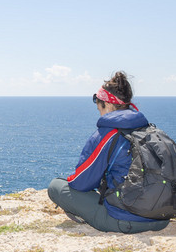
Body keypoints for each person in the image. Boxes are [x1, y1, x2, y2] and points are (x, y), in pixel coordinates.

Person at [47, 71, 169, 233]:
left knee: (56, 185)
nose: (100, 113)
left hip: (124, 220)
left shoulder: (108, 134)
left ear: (108, 104)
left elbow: (81, 183)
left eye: (100, 109)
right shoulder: (150, 130)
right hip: (161, 218)